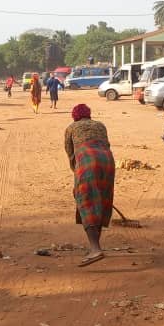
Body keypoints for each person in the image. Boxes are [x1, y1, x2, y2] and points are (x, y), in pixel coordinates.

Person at [64, 104, 115, 267]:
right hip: (107, 161)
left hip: (87, 161)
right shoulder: (100, 125)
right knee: (102, 200)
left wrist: (77, 177)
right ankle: (95, 246)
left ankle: (95, 248)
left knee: (85, 201)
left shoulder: (71, 128)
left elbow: (71, 155)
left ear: (75, 116)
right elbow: (107, 144)